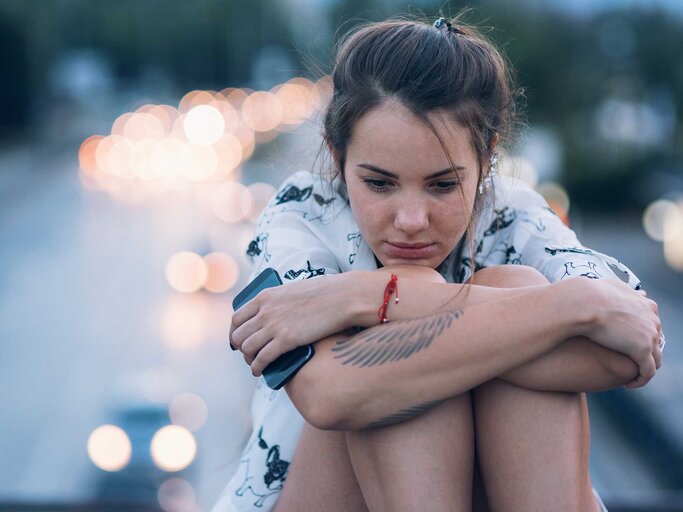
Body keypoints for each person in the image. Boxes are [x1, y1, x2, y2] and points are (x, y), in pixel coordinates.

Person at [213, 15, 664, 512]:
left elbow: (627, 351)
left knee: (509, 287)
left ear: (487, 159)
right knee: (398, 365)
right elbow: (332, 395)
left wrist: (365, 296)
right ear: (337, 156)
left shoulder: (511, 212)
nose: (410, 220)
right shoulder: (300, 218)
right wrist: (573, 307)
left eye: (443, 185)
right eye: (379, 184)